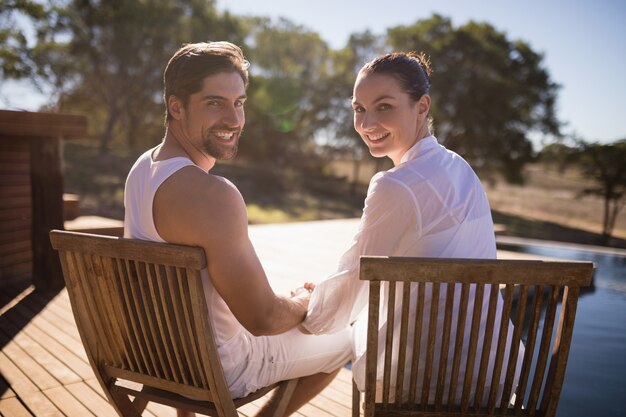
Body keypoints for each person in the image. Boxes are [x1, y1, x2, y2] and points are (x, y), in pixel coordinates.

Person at [124, 41, 351, 417]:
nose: (234, 119)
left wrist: (283, 302)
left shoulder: (141, 170)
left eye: (239, 102)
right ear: (176, 107)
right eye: (215, 103)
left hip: (158, 357)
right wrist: (305, 303)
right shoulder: (213, 195)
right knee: (345, 338)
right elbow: (262, 319)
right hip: (220, 369)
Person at [302, 52, 524, 405]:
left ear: (422, 107)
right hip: (490, 376)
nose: (367, 122)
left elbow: (350, 286)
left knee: (319, 337)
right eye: (359, 109)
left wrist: (307, 307)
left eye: (384, 106)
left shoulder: (395, 184)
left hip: (417, 382)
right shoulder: (460, 168)